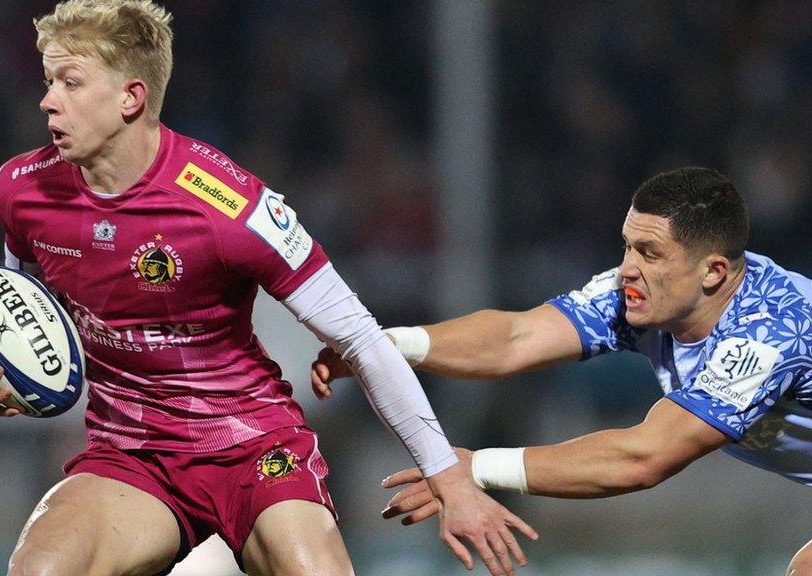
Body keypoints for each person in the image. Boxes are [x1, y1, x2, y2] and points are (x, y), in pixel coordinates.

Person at [0, 1, 537, 575]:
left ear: (130, 97)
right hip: (132, 455)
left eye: (70, 82)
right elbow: (17, 306)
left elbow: (361, 338)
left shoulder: (230, 207)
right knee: (42, 569)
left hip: (252, 444)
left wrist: (450, 480)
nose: (47, 101)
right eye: (48, 81)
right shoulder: (21, 190)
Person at [312, 167, 812, 575]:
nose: (626, 269)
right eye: (628, 246)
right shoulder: (640, 294)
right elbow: (516, 338)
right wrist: (381, 346)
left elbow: (644, 457)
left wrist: (476, 469)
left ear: (713, 272)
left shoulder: (770, 331)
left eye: (650, 254)